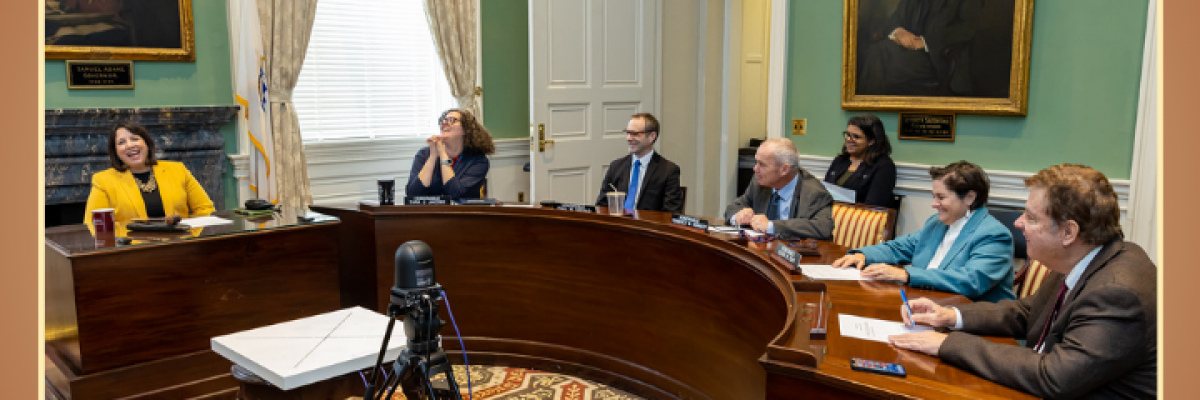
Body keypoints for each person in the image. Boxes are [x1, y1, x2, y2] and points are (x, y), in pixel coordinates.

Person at [888, 164, 1156, 399]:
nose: (1018, 223)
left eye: (1031, 217)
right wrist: (949, 316)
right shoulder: (1084, 257)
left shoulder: (1117, 293)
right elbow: (1028, 312)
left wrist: (946, 344)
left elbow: (1054, 377)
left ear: (1068, 232)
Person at [832, 161, 1014, 302]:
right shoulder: (936, 223)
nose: (934, 204)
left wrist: (906, 274)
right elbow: (900, 247)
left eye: (941, 197)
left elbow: (970, 281)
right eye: (934, 196)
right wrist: (863, 255)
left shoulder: (994, 235)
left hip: (972, 323)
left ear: (969, 197)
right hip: (926, 306)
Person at [84, 121, 215, 233]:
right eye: (121, 142)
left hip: (179, 244)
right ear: (116, 152)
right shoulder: (103, 180)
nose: (130, 145)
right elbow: (94, 223)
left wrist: (191, 235)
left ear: (146, 143)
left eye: (135, 139)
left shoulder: (178, 170)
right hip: (132, 251)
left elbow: (205, 209)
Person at [856, 0, 983, 96]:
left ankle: (870, 116)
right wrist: (899, 31)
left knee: (886, 68)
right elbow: (896, 18)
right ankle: (869, 115)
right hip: (907, 51)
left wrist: (925, 41)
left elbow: (968, 28)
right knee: (875, 52)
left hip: (938, 57)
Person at [725, 138, 833, 240]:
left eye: (762, 164)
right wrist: (738, 216)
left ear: (784, 169)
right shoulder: (759, 182)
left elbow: (822, 227)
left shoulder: (814, 193)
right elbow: (733, 207)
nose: (755, 169)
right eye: (756, 162)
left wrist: (771, 226)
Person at [595, 113, 683, 213]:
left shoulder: (668, 171)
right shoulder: (616, 166)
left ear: (651, 136)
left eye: (635, 134)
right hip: (617, 226)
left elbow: (671, 213)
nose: (628, 138)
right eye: (628, 133)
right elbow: (601, 206)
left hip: (647, 227)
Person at [406, 109, 495, 201]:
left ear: (466, 129)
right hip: (430, 213)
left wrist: (442, 153)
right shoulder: (424, 154)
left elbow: (455, 194)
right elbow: (412, 194)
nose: (444, 123)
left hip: (460, 214)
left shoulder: (478, 161)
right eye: (443, 120)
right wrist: (432, 157)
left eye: (452, 120)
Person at [824, 114, 897, 208]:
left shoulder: (884, 166)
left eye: (856, 137)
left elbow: (873, 206)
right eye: (848, 135)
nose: (849, 140)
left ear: (871, 141)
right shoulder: (840, 160)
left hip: (858, 219)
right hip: (829, 216)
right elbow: (824, 192)